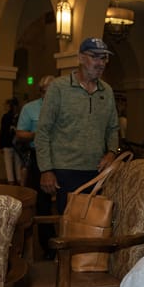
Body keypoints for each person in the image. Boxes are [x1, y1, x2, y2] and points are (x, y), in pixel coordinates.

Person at [36, 37, 120, 216]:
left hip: (98, 172)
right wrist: (46, 170)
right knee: (69, 227)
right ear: (81, 58)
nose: (100, 63)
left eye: (104, 58)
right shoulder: (58, 88)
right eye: (95, 57)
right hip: (65, 171)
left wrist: (112, 152)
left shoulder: (107, 91)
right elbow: (43, 131)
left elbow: (113, 128)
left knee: (94, 225)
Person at [16, 75, 59, 259]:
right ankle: (48, 245)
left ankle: (68, 244)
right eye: (46, 91)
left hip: (62, 157)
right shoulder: (30, 108)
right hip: (38, 157)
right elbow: (20, 133)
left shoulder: (64, 107)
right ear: (41, 92)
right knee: (41, 204)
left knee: (67, 201)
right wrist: (38, 135)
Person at [0, 97, 22, 184]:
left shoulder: (5, 117)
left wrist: (0, 145)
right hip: (18, 143)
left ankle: (11, 184)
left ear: (9, 106)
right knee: (18, 165)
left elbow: (3, 132)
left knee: (8, 167)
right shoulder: (20, 116)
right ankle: (20, 185)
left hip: (7, 143)